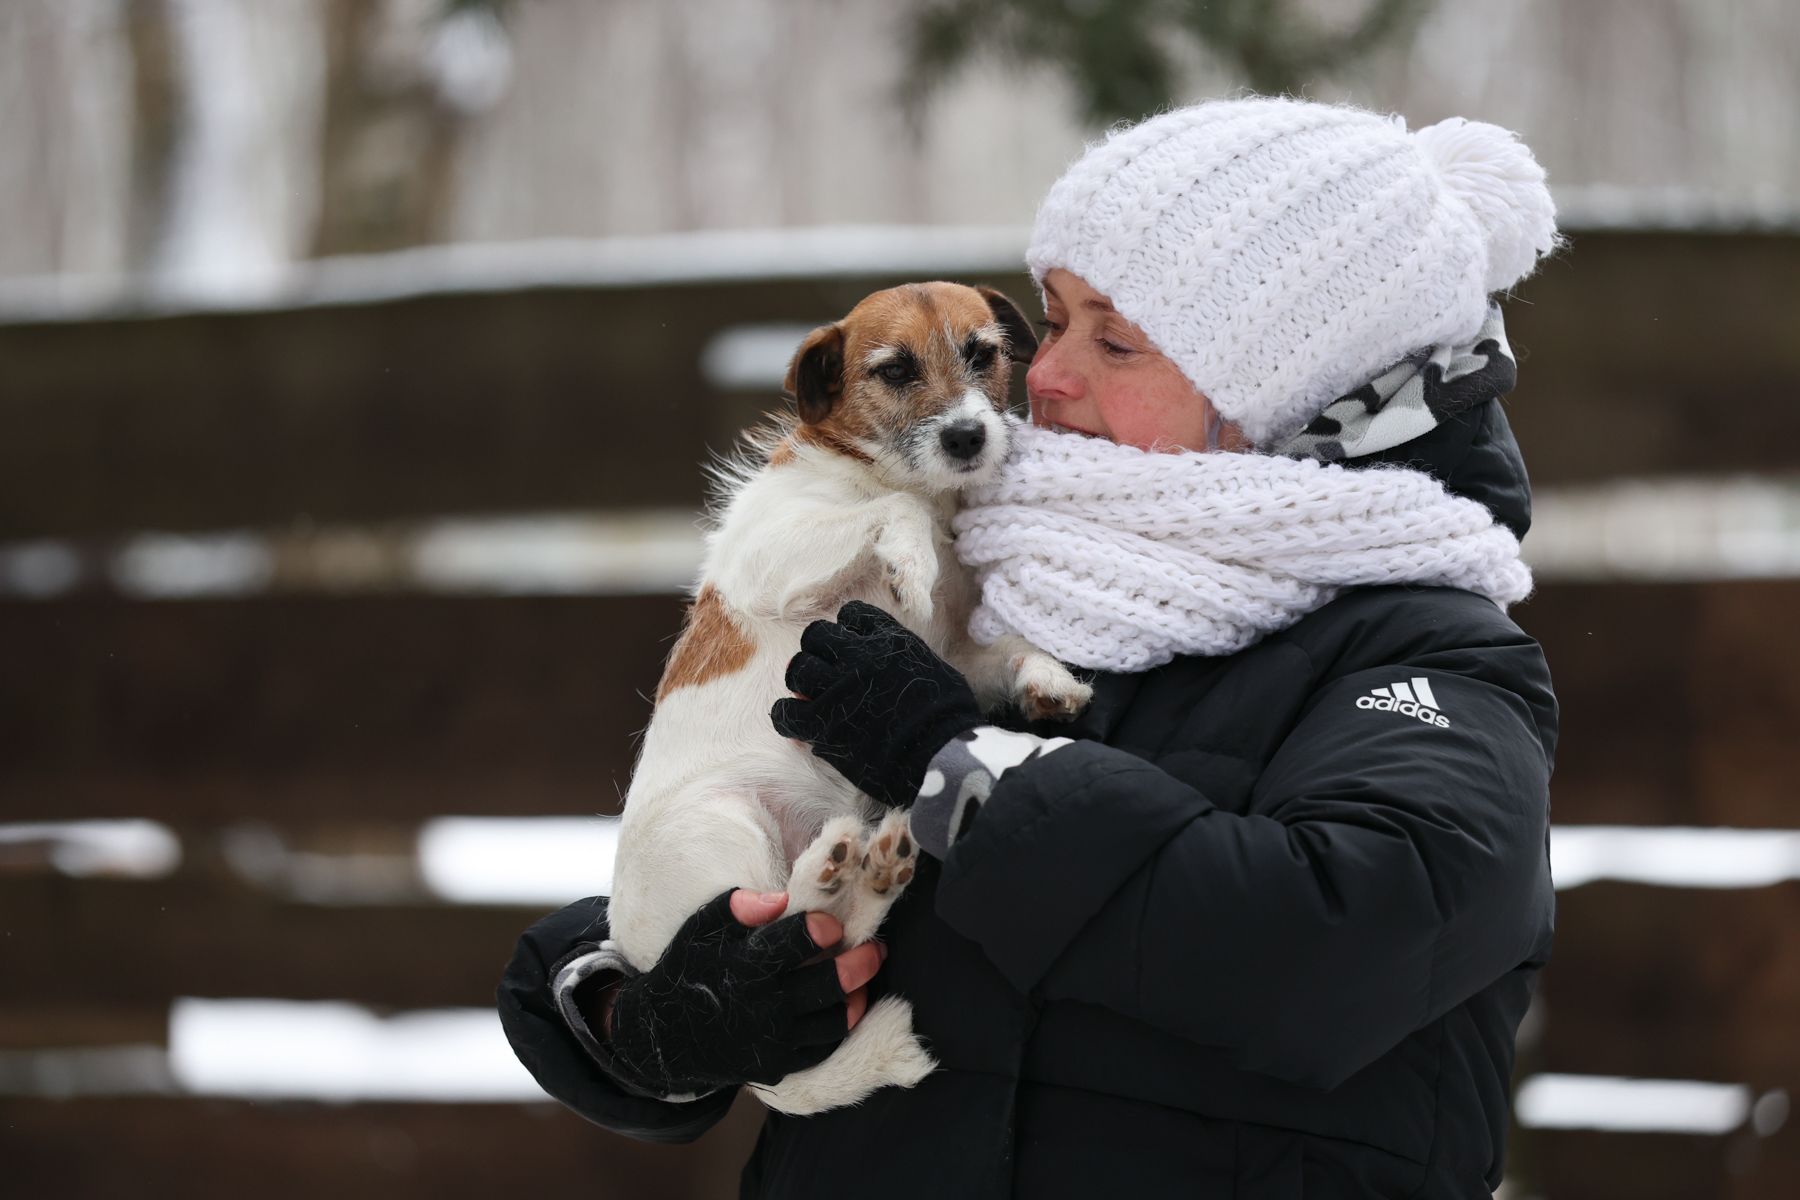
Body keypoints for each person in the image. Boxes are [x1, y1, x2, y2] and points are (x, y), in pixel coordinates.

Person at [499, 96, 1560, 1198]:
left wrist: (967, 772)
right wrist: (645, 1013)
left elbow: (1332, 950)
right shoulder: (1015, 573)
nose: (1039, 376)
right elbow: (704, 822)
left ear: (1287, 394)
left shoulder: (1428, 660)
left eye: (1115, 340)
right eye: (1048, 321)